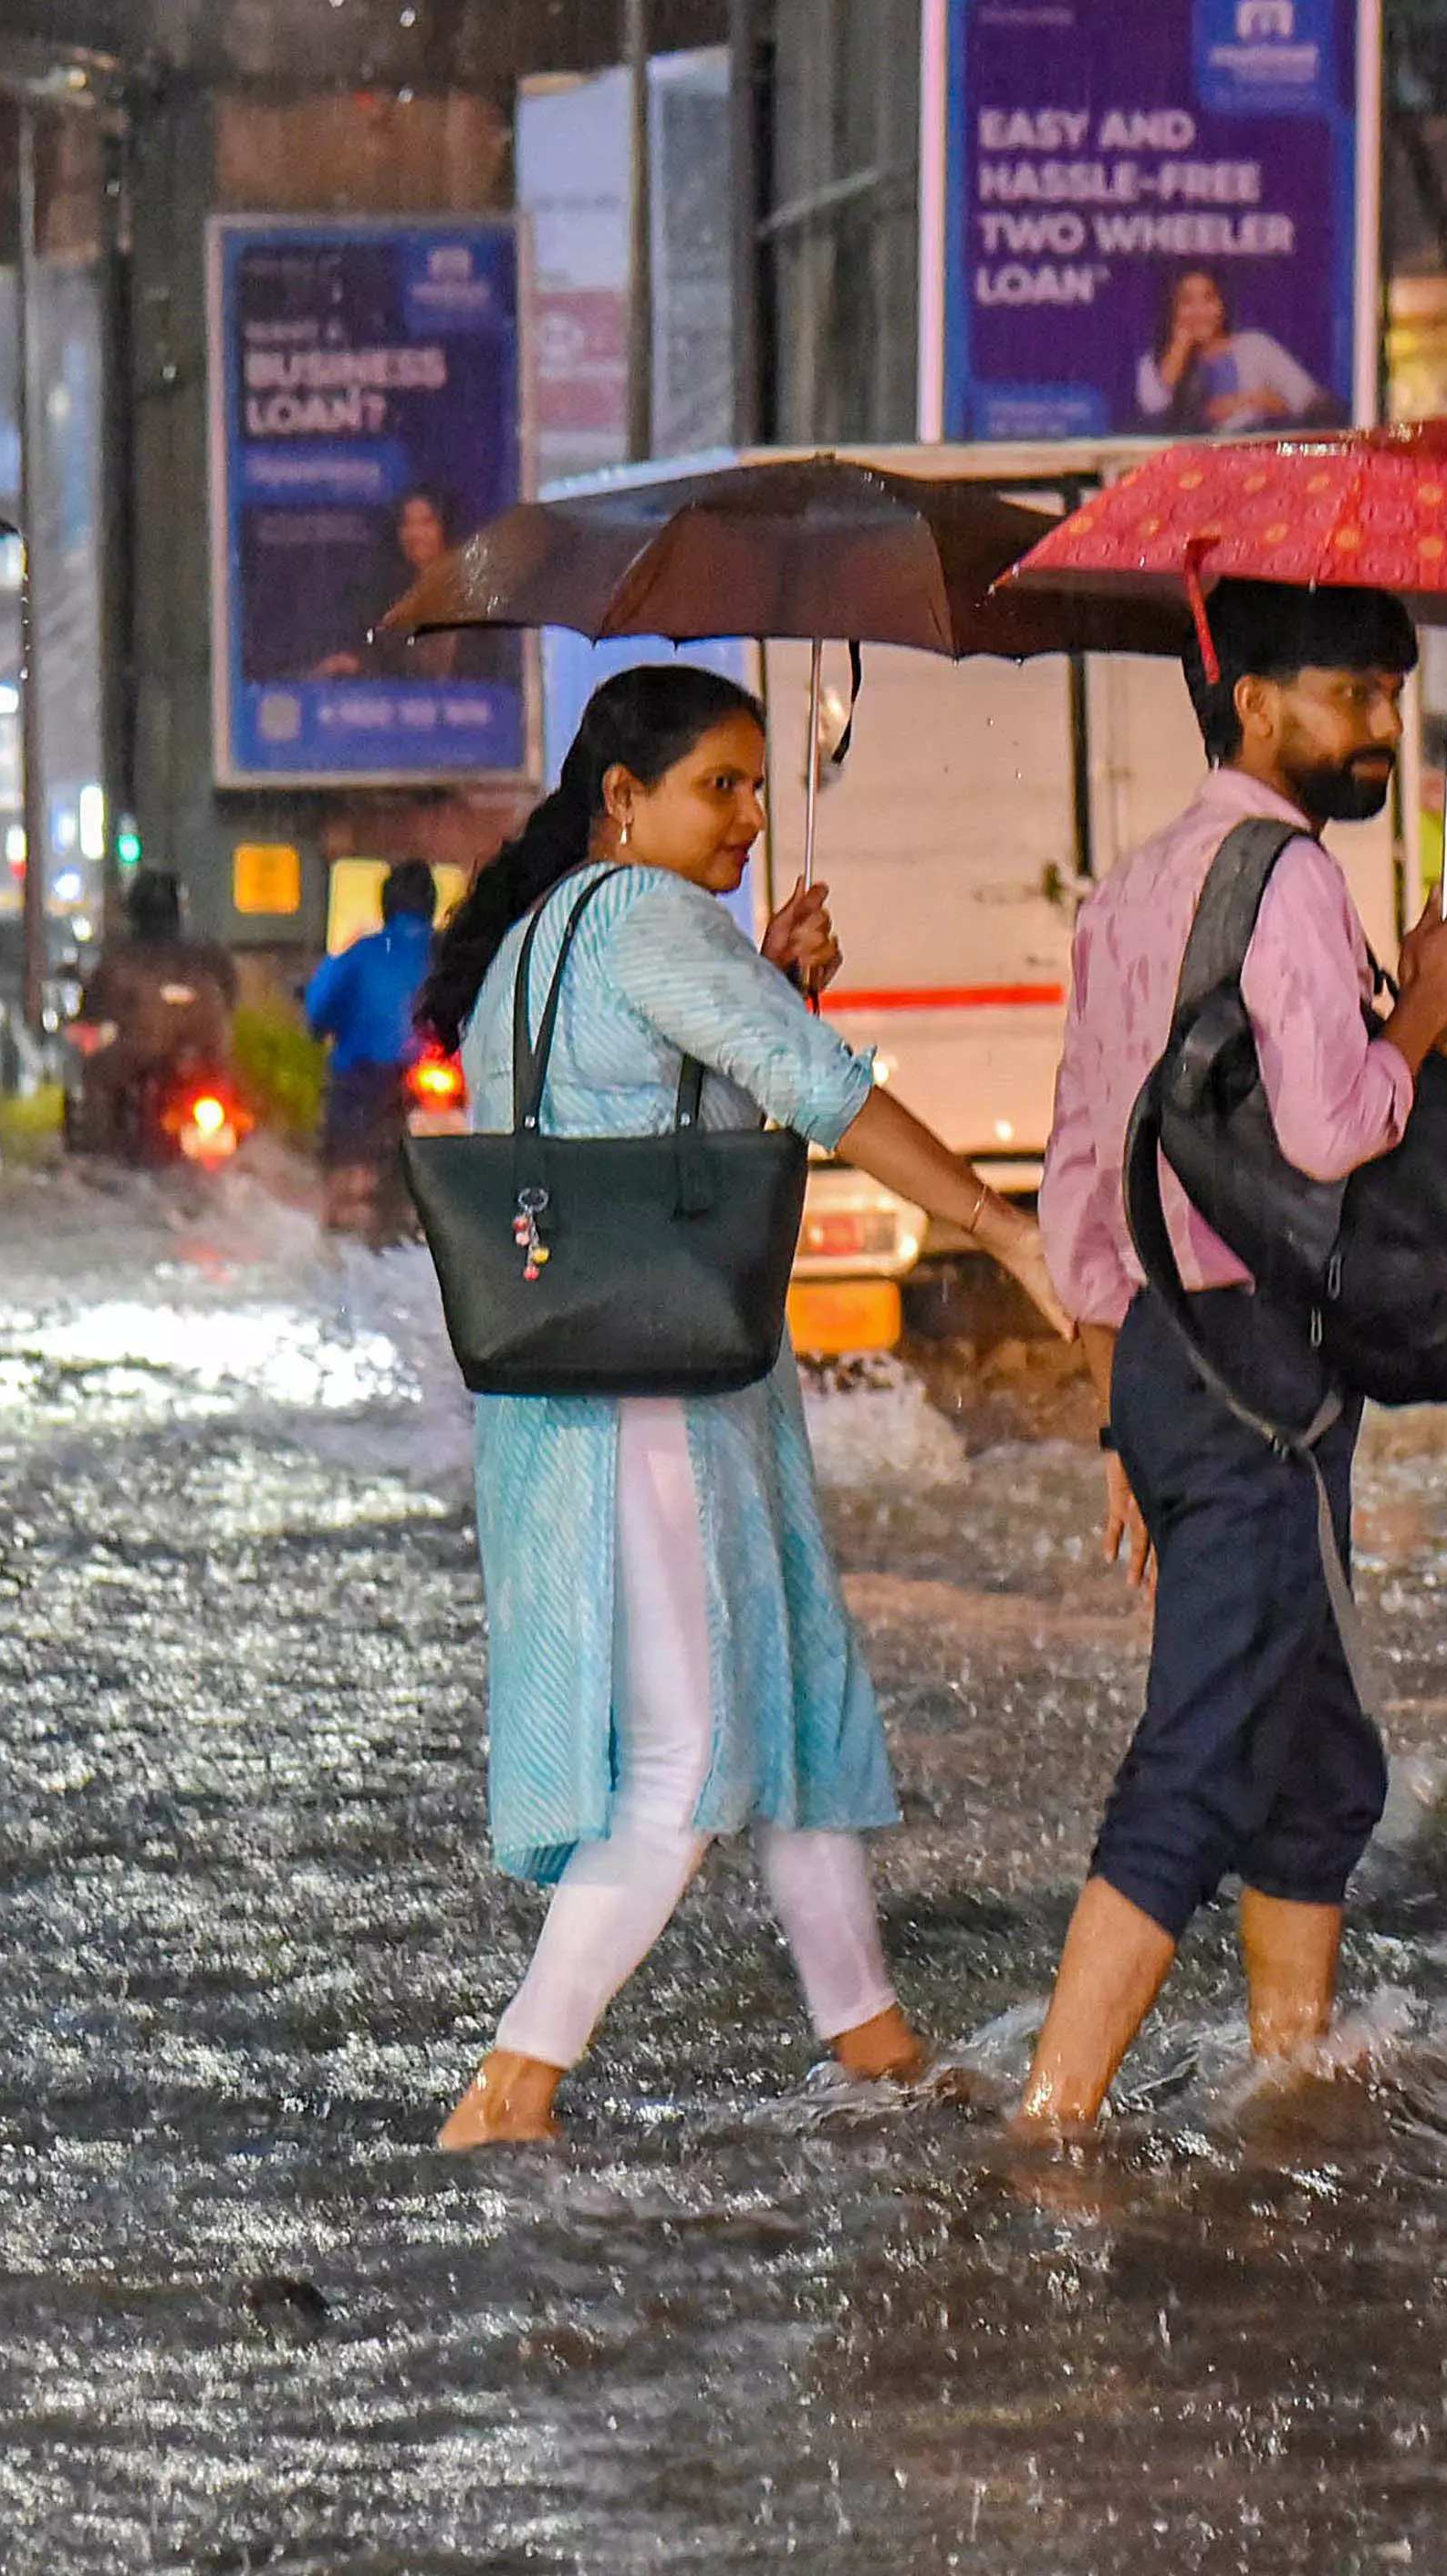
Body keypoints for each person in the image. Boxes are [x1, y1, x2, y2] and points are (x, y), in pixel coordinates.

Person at [422, 663, 1076, 2149]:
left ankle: (877, 2045)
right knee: (681, 1769)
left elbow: (663, 1105)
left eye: (762, 788)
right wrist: (998, 1222)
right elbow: (822, 1089)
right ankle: (510, 2091)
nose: (752, 817)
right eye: (721, 785)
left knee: (795, 1717)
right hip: (653, 1391)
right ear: (624, 798)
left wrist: (775, 980)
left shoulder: (539, 935)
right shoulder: (653, 918)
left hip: (625, 1376)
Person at [1014, 579, 1447, 2141]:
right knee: (1209, 1743)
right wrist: (1421, 1012)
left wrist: (1124, 1404)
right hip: (1263, 1375)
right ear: (1260, 700)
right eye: (1354, 697)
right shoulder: (1286, 881)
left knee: (1320, 1755)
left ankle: (1289, 2073)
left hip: (1173, 1354)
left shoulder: (1138, 883)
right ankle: (1050, 2118)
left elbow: (1081, 1167)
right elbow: (1332, 1128)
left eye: (1389, 702)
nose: (1377, 730)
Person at [301, 857, 440, 1234]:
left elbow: (318, 1006)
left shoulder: (360, 953)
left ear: (386, 905)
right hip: (439, 1091)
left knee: (346, 1187)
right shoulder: (453, 954)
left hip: (366, 1086)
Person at [66, 871, 238, 1164]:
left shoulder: (118, 959)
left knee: (95, 1085)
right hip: (204, 1058)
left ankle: (99, 1155)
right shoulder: (209, 956)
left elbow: (93, 1013)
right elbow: (232, 996)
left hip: (141, 1060)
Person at [1135, 269, 1329, 434]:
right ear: (1172, 309)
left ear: (1223, 305)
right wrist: (1180, 346)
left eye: (1209, 299)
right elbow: (1153, 408)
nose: (1200, 310)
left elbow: (1310, 401)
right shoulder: (1152, 363)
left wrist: (1254, 401)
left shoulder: (1254, 346)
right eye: (1187, 302)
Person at [313, 488, 474, 682]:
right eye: (407, 524)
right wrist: (354, 665)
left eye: (426, 523)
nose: (415, 534)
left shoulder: (472, 590)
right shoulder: (397, 596)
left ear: (445, 527)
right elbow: (389, 662)